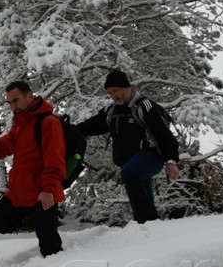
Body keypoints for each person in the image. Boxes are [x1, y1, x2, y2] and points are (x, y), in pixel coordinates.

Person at [0, 80, 66, 257]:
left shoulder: (48, 122)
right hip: (21, 191)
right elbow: (4, 145)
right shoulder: (21, 124)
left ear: (29, 96)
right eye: (9, 102)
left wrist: (48, 190)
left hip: (42, 193)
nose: (12, 106)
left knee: (51, 249)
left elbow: (55, 160)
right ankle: (39, 220)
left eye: (15, 100)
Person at [75, 70, 180, 224]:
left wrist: (171, 161)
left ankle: (142, 223)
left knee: (130, 173)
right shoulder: (111, 111)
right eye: (109, 93)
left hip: (151, 155)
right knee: (141, 188)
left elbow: (164, 134)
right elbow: (90, 126)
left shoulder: (145, 106)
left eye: (115, 91)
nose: (113, 96)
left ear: (126, 87)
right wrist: (65, 130)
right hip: (131, 160)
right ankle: (152, 225)